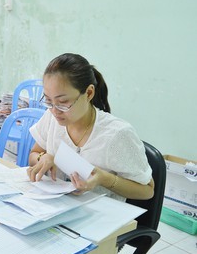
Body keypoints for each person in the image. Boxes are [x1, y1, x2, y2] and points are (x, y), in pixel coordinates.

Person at [27, 53, 154, 201]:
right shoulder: (52, 117)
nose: (54, 110)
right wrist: (44, 158)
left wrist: (105, 179)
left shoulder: (117, 134)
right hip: (56, 208)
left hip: (100, 216)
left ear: (88, 93)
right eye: (48, 101)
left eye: (63, 102)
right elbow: (34, 154)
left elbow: (147, 191)